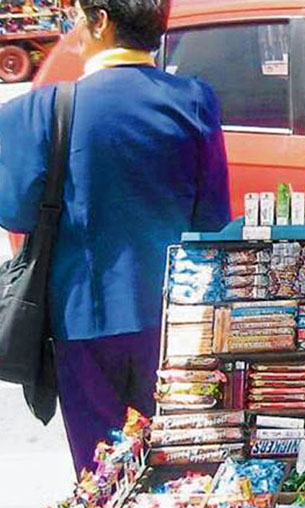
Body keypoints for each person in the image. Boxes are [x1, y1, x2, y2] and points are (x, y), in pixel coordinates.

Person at [0, 0, 230, 473]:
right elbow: (213, 219)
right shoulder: (194, 99)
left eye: (79, 17)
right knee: (175, 466)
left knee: (101, 473)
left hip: (82, 320)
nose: (77, 28)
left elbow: (16, 214)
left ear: (101, 21)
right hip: (174, 319)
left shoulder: (46, 109)